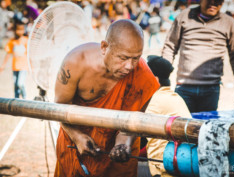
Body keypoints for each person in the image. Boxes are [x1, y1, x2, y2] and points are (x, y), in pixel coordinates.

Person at [54, 19, 160, 177]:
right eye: (123, 58)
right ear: (104, 47)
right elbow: (58, 108)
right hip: (76, 145)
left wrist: (123, 144)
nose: (130, 66)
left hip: (115, 162)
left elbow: (134, 121)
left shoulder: (143, 76)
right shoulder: (76, 62)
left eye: (136, 58)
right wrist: (77, 137)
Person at [162, 0, 234, 113]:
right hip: (184, 87)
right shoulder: (184, 17)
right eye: (210, 0)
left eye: (218, 1)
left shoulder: (229, 23)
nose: (213, 4)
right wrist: (162, 78)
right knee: (181, 127)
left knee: (205, 128)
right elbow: (170, 47)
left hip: (211, 89)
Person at [145, 56, 192, 177]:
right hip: (183, 161)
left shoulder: (154, 100)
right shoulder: (174, 96)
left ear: (154, 79)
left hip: (164, 168)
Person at [0, 21, 28, 99]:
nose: (20, 31)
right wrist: (3, 65)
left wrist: (32, 66)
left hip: (23, 67)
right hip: (15, 67)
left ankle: (25, 98)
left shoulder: (26, 40)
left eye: (21, 29)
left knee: (20, 84)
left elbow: (29, 54)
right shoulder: (12, 42)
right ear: (15, 30)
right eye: (18, 29)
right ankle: (16, 99)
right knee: (15, 84)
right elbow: (8, 53)